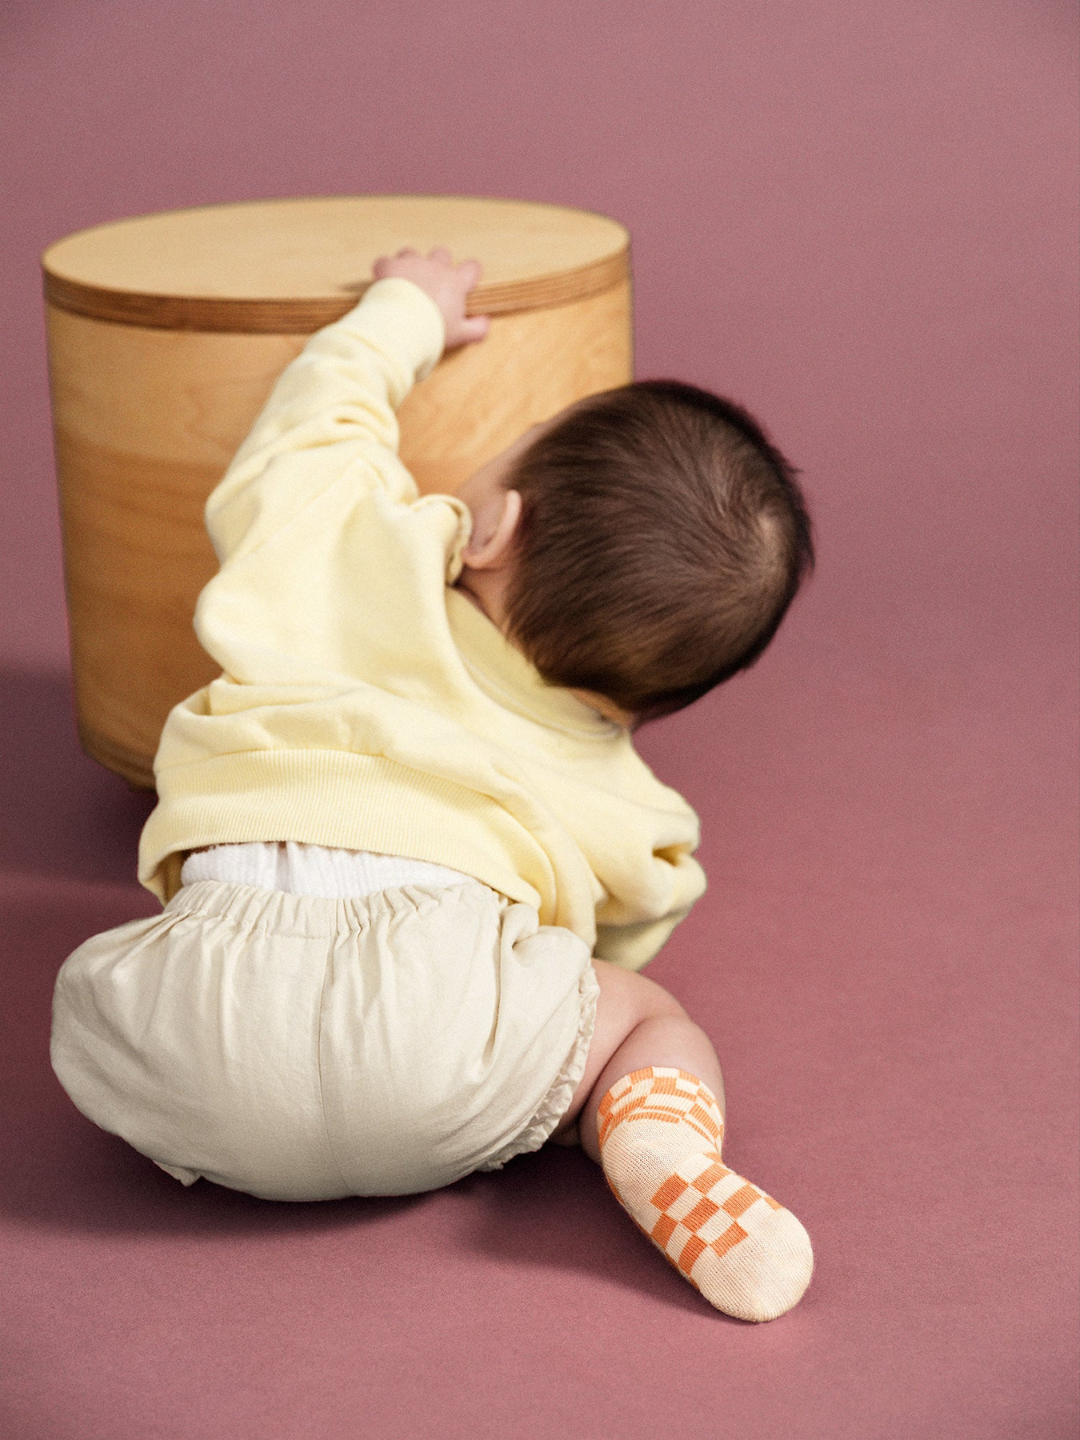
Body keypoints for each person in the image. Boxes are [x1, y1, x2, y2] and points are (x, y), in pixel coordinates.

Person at [51, 247, 815, 1323]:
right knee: (648, 1018)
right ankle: (654, 1143)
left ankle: (224, 1114)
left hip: (189, 1041)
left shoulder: (353, 554)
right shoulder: (619, 787)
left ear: (495, 527)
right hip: (446, 1061)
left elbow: (312, 436)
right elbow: (644, 904)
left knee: (84, 989)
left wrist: (405, 311)